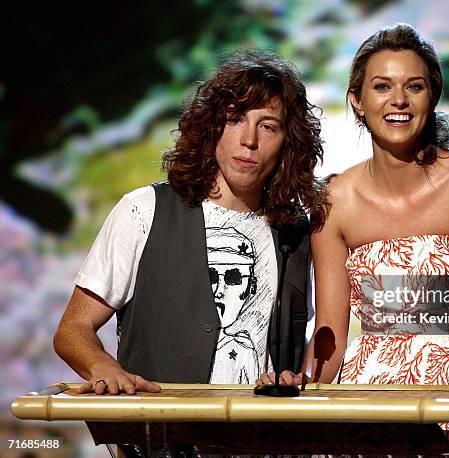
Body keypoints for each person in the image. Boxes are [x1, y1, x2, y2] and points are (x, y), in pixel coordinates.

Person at [258, 24, 449, 457]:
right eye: (382, 86)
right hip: (369, 395)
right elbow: (331, 329)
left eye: (414, 86)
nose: (398, 100)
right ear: (358, 101)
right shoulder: (333, 199)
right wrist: (303, 380)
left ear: (433, 97)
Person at [53, 49, 324, 397]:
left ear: (289, 143)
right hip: (157, 441)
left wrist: (293, 378)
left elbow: (298, 348)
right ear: (212, 126)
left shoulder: (296, 233)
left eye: (268, 126)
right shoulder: (143, 210)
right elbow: (73, 329)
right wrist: (104, 366)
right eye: (236, 118)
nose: (249, 140)